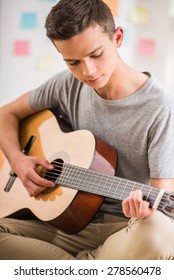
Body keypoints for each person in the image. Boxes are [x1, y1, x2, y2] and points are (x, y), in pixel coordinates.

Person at [0, 0, 174, 260]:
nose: (88, 71)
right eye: (73, 62)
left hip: (123, 228)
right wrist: (18, 159)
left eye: (96, 54)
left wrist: (143, 213)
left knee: (161, 232)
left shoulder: (160, 107)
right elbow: (6, 113)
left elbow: (164, 204)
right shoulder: (66, 85)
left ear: (117, 38)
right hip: (62, 223)